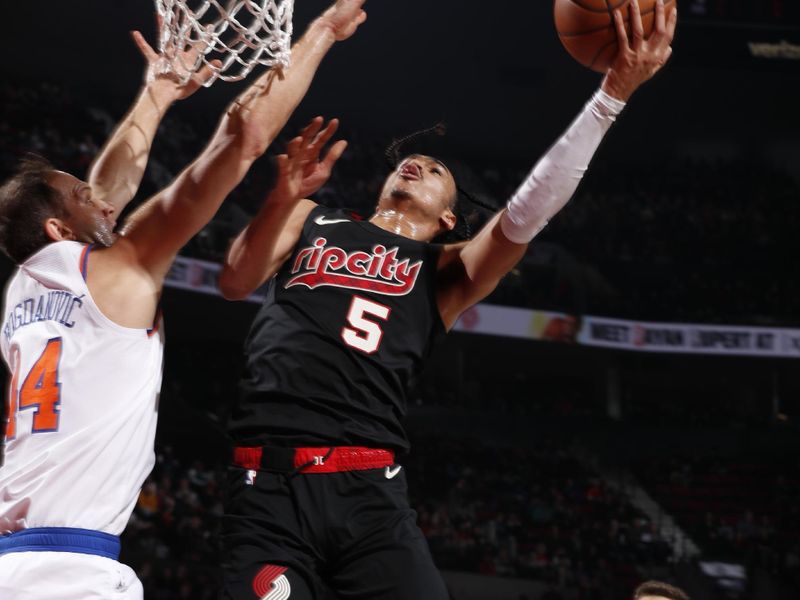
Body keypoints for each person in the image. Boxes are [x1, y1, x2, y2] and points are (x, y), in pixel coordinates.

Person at [219, 1, 676, 599]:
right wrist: (279, 199)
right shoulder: (312, 217)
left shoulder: (447, 270)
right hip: (268, 491)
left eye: (435, 170)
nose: (418, 164)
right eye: (413, 161)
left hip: (369, 496)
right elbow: (233, 280)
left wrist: (610, 96)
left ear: (450, 219)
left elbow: (526, 214)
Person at [0, 1, 367, 598]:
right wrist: (321, 33)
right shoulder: (116, 270)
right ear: (59, 231)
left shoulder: (22, 291)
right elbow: (241, 140)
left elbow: (107, 194)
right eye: (82, 196)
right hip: (69, 573)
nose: (100, 197)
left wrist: (158, 95)